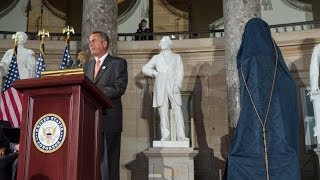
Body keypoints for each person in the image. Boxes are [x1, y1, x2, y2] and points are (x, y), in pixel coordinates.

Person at [226, 18, 299, 179]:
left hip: (253, 120)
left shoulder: (248, 58)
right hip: (276, 120)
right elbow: (288, 88)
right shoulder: (275, 59)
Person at [84, 31, 128, 180]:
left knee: (109, 162)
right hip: (91, 119)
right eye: (90, 41)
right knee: (92, 160)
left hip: (109, 120)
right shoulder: (88, 65)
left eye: (94, 41)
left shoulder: (118, 63)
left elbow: (119, 87)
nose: (90, 44)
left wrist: (94, 92)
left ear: (104, 43)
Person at [142, 36, 188, 141]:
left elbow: (180, 72)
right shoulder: (156, 57)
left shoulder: (176, 57)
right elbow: (144, 68)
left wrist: (178, 84)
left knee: (177, 109)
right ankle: (165, 135)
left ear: (170, 44)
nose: (162, 43)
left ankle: (181, 135)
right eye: (161, 41)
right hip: (160, 86)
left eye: (164, 41)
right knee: (163, 111)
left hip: (173, 86)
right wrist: (154, 72)